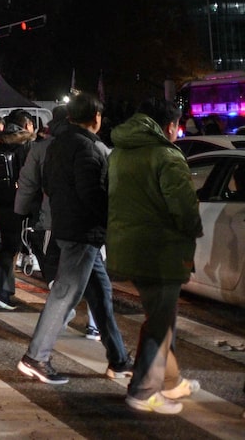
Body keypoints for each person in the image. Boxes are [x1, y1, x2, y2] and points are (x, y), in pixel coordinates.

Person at [17, 93, 132, 384]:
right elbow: (92, 194)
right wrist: (111, 222)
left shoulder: (57, 145)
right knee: (64, 295)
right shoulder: (88, 147)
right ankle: (36, 357)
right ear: (95, 118)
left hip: (69, 227)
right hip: (83, 232)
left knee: (101, 297)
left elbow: (49, 186)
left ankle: (118, 359)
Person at [108, 98, 203, 415]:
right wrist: (192, 232)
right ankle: (144, 389)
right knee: (160, 321)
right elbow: (184, 208)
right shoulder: (167, 156)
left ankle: (170, 379)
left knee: (163, 316)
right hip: (161, 250)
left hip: (129, 246)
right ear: (169, 126)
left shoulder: (120, 152)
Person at [0, 109, 35, 309]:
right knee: (26, 246)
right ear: (27, 125)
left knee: (7, 246)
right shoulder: (25, 146)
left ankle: (3, 291)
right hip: (20, 204)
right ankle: (3, 293)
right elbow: (30, 177)